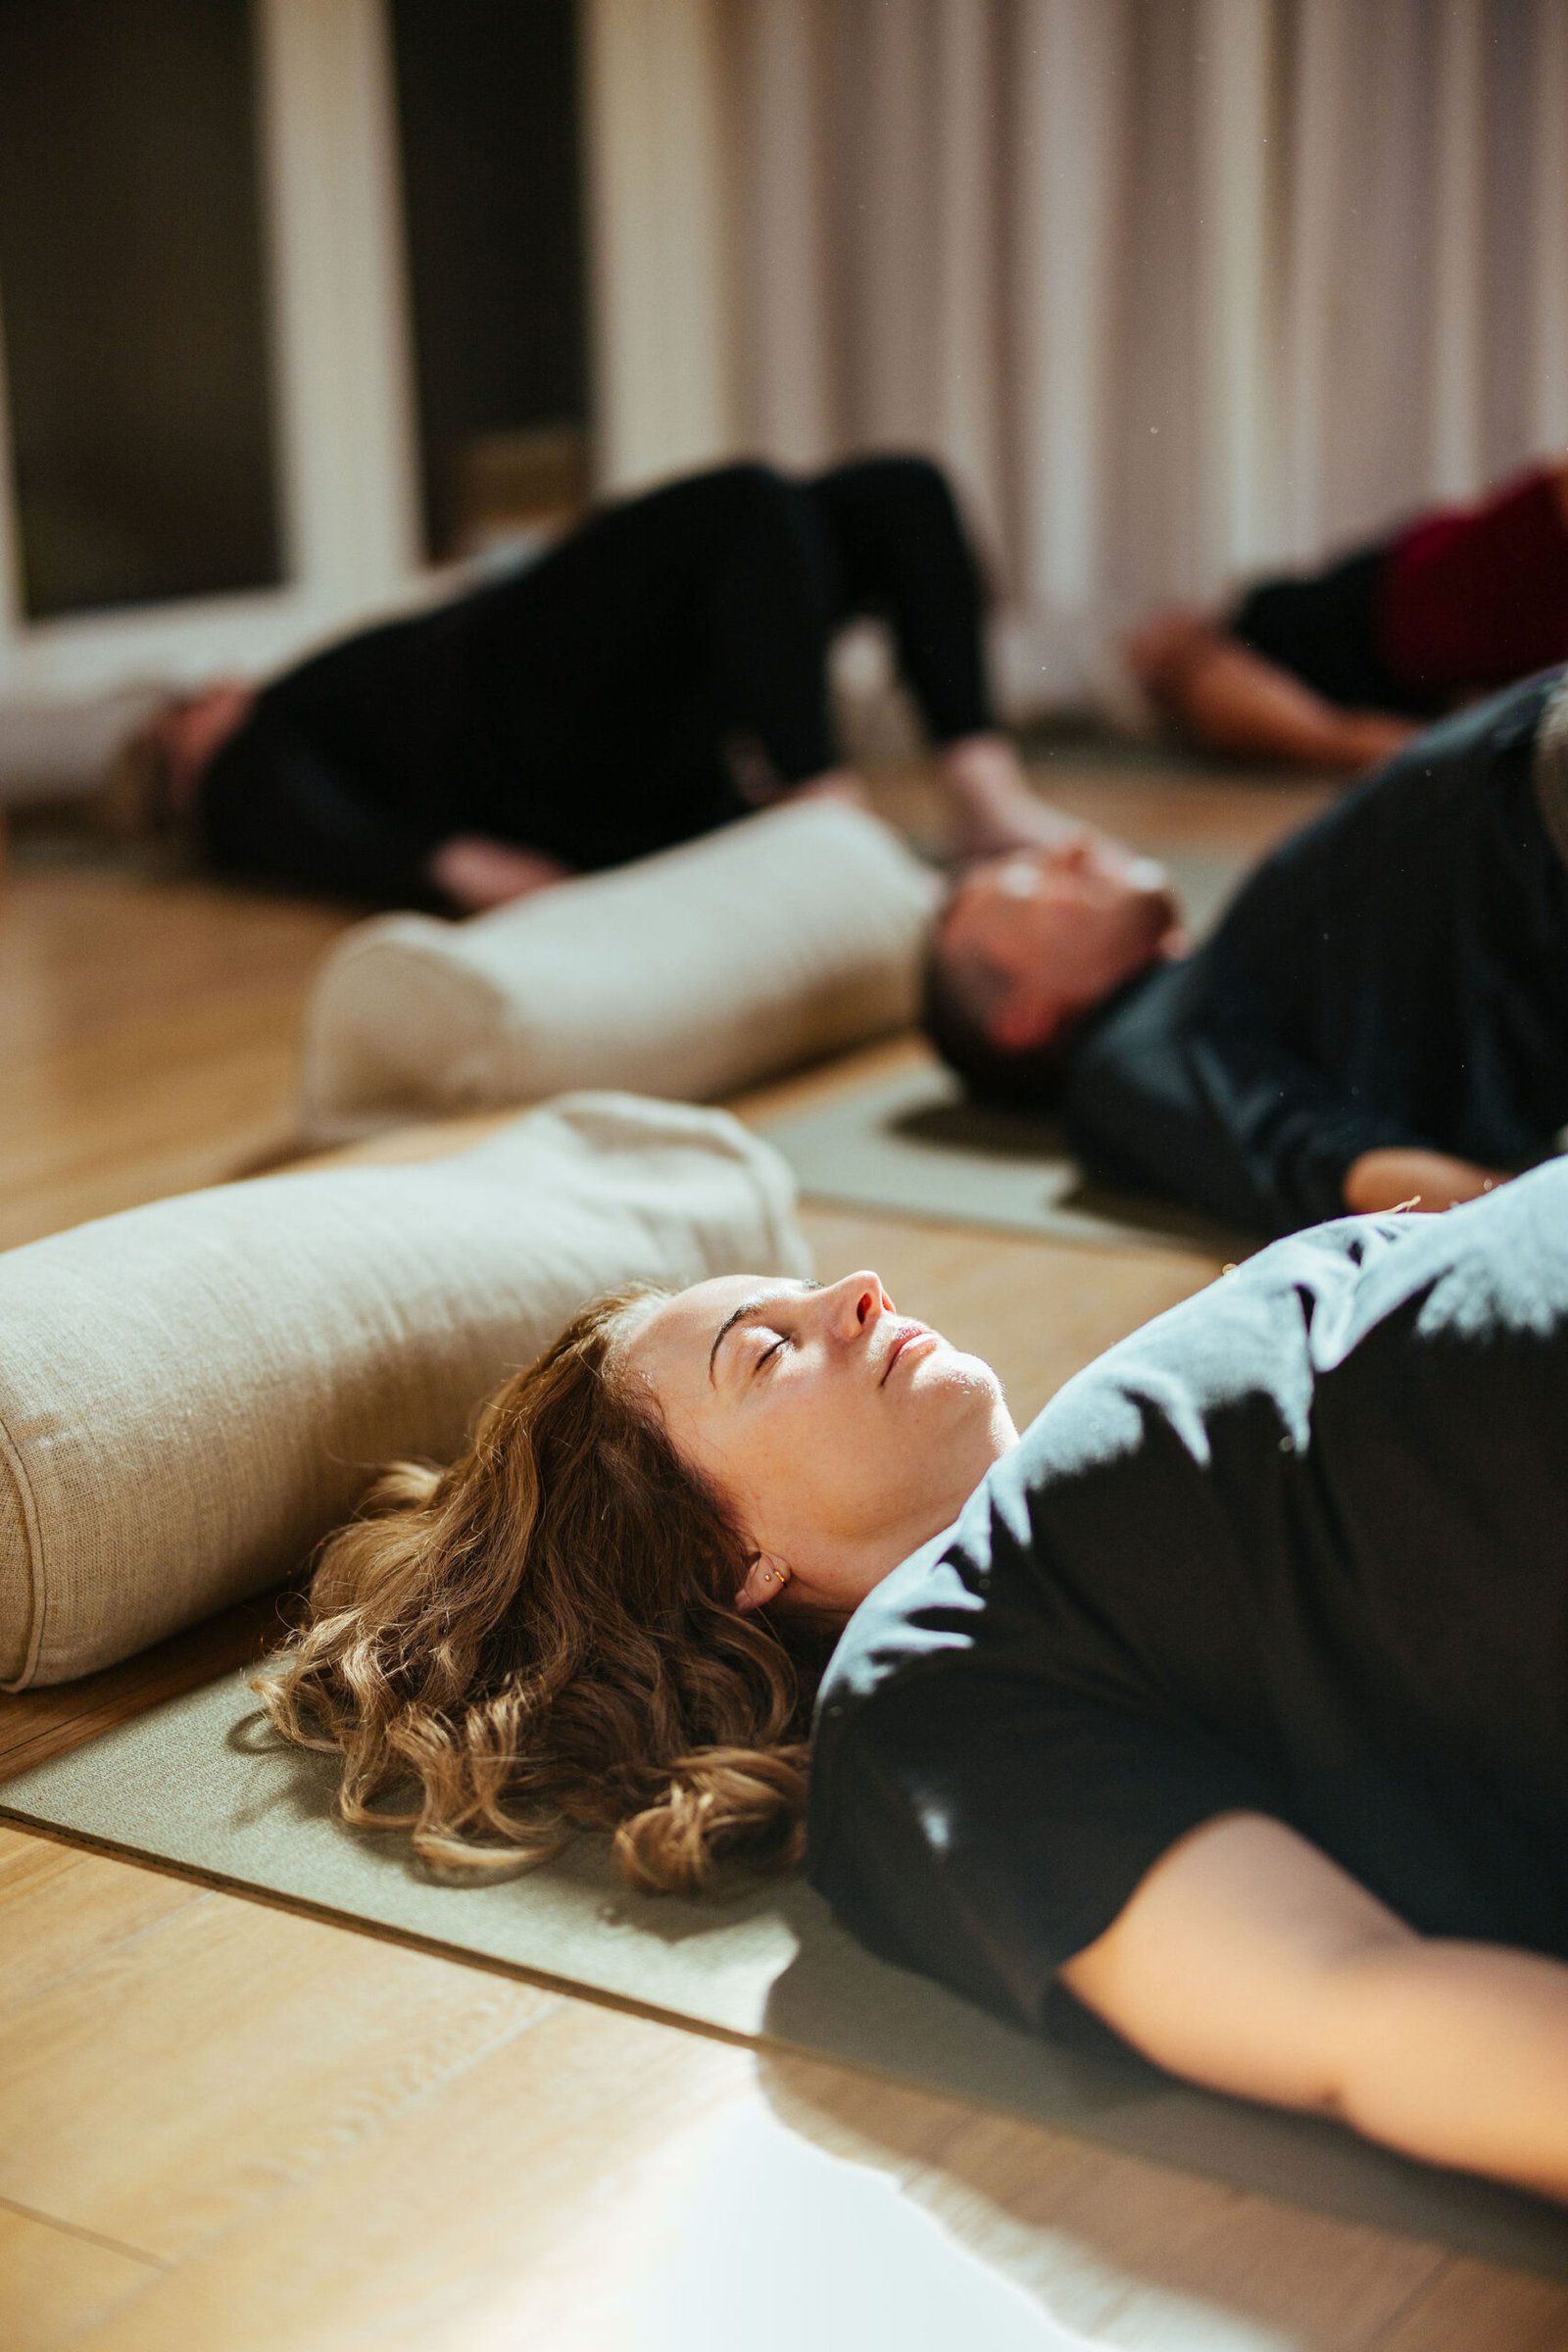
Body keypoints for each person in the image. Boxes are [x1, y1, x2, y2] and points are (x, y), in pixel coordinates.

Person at [257, 1169, 1568, 2205]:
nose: (860, 1294)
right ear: (728, 1563)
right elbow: (1351, 2007)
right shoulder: (930, 1685)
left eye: (810, 1293)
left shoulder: (1100, 1466)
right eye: (766, 1354)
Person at [133, 456, 1091, 911]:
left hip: (582, 728)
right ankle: (825, 823)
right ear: (177, 754)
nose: (219, 687)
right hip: (510, 715)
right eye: (192, 705)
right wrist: (454, 869)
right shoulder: (239, 762)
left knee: (897, 495)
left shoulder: (287, 729)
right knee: (744, 507)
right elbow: (285, 812)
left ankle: (981, 794)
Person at [925, 667, 1568, 1236]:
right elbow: (1356, 1176)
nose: (1073, 847)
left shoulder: (1218, 978)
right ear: (1025, 1016)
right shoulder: (1127, 1066)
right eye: (1037, 887)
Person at [1123, 457, 1568, 769]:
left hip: (1411, 592)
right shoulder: (1221, 684)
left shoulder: (1242, 651)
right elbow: (1353, 742)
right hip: (1409, 608)